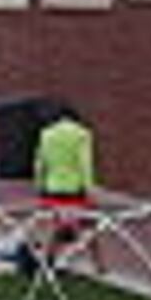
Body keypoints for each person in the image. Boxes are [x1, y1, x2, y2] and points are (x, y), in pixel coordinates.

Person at [30, 105, 98, 260]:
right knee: (89, 225)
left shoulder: (46, 134)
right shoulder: (82, 134)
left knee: (53, 225)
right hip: (75, 189)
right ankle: (98, 265)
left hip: (52, 187)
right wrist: (90, 189)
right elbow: (85, 163)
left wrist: (39, 185)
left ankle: (47, 261)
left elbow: (40, 163)